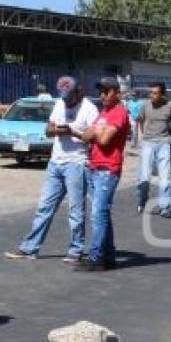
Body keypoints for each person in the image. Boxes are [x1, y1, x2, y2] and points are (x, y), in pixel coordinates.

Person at [5, 77, 99, 263]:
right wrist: (58, 131)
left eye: (68, 96)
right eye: (62, 96)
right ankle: (30, 249)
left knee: (75, 211)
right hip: (55, 162)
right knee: (44, 208)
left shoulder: (89, 109)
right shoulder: (59, 105)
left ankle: (75, 250)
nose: (65, 100)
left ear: (77, 92)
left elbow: (93, 138)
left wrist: (73, 133)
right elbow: (48, 130)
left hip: (76, 163)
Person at [75, 77, 130, 272]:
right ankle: (108, 256)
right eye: (101, 92)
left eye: (106, 92)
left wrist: (97, 132)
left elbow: (105, 139)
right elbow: (85, 135)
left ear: (117, 93)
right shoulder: (105, 112)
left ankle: (96, 257)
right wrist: (97, 131)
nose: (102, 96)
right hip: (95, 167)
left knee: (98, 215)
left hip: (107, 170)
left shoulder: (119, 113)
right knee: (103, 214)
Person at [136, 82, 171, 217]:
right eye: (151, 93)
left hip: (163, 143)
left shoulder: (169, 108)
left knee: (165, 177)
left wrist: (169, 136)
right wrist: (141, 137)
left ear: (162, 95)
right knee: (144, 177)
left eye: (155, 93)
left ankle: (164, 207)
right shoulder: (145, 107)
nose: (152, 96)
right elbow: (139, 121)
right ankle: (142, 200)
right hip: (147, 143)